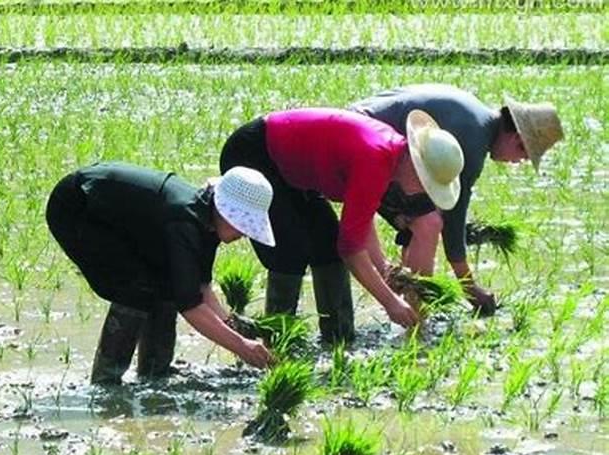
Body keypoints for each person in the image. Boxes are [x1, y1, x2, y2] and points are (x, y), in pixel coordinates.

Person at [219, 108, 464, 340]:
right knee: (290, 251)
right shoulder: (376, 160)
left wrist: (384, 270)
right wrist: (390, 302)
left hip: (296, 176)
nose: (423, 192)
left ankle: (339, 339)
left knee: (327, 246)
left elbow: (359, 223)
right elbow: (351, 248)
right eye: (426, 183)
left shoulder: (390, 157)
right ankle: (278, 345)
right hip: (256, 153)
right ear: (414, 163)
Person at [46, 162, 275, 385]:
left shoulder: (207, 222)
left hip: (118, 219)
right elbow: (191, 307)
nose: (244, 234)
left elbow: (200, 286)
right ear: (225, 211)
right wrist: (241, 346)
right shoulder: (185, 223)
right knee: (137, 288)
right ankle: (107, 381)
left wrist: (231, 324)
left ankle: (154, 373)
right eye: (243, 224)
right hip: (79, 207)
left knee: (166, 283)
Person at [350, 84, 564, 315]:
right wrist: (471, 289)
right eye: (524, 155)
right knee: (428, 224)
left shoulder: (477, 117)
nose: (518, 162)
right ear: (517, 139)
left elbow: (440, 207)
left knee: (422, 219)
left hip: (358, 127)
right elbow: (452, 218)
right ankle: (417, 316)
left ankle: (406, 297)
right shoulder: (473, 141)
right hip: (364, 141)